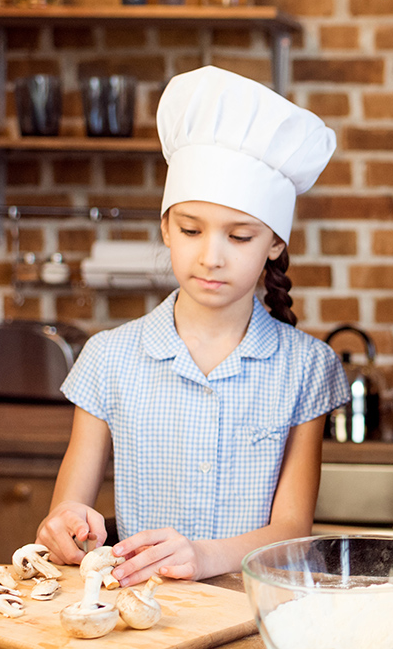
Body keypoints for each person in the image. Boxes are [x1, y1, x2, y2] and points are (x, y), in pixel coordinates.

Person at [35, 66, 347, 587]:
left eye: (240, 237)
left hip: (254, 611)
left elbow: (292, 528)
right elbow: (68, 506)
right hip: (143, 612)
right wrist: (65, 527)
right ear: (165, 227)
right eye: (190, 229)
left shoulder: (306, 367)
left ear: (275, 243)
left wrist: (202, 557)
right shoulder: (108, 357)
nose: (211, 257)